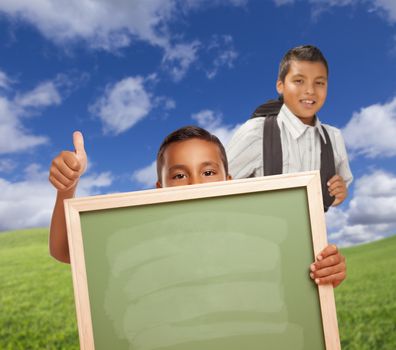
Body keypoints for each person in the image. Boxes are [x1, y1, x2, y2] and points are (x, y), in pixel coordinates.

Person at [49, 125, 346, 287]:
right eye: (179, 175)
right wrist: (67, 189)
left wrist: (328, 272)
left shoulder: (261, 241)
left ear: (228, 181)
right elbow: (64, 251)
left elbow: (301, 279)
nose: (194, 184)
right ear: (159, 188)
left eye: (207, 172)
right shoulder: (142, 241)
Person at [226, 45, 353, 210]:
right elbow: (216, 187)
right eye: (299, 81)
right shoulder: (256, 132)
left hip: (314, 234)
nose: (310, 90)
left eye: (319, 83)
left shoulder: (333, 137)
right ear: (280, 85)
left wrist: (340, 193)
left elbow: (340, 189)